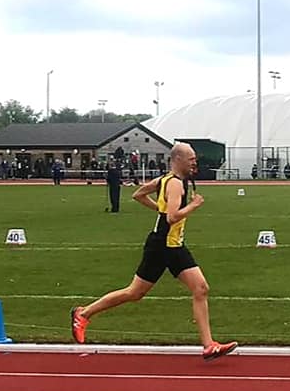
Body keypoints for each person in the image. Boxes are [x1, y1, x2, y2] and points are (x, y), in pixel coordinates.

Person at [71, 143, 238, 360]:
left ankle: (208, 345)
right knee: (134, 293)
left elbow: (139, 195)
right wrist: (193, 205)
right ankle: (83, 313)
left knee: (201, 288)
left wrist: (161, 209)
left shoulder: (163, 180)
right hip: (162, 246)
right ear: (178, 159)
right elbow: (172, 217)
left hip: (174, 245)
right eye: (191, 159)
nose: (194, 163)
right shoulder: (175, 184)